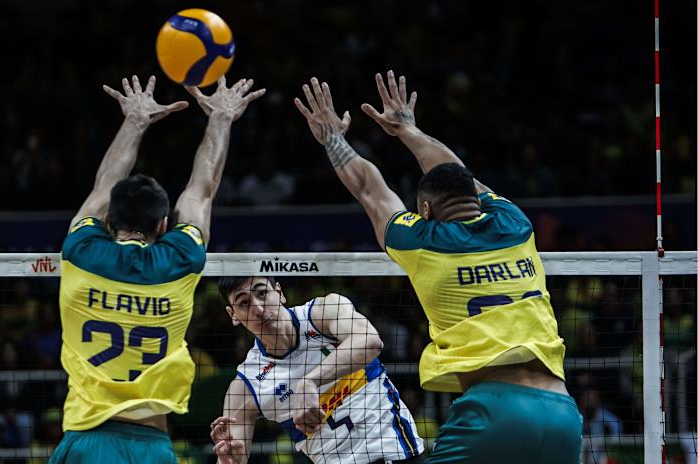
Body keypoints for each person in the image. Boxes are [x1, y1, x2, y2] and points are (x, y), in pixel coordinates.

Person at [294, 71, 582, 463]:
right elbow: (460, 175)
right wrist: (409, 131)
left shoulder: (421, 242)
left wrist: (331, 138)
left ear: (425, 210)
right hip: (564, 414)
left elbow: (370, 189)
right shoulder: (515, 222)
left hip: (493, 411)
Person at [50, 74, 265, 464]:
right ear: (164, 225)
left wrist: (135, 121)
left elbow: (103, 187)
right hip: (151, 446)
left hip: (87, 442)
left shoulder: (81, 250)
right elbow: (203, 187)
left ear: (108, 221)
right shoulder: (179, 261)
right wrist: (221, 118)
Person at [210, 276, 424, 464]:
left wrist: (309, 382)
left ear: (279, 292)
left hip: (396, 453)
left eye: (262, 293)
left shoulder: (323, 313)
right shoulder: (244, 387)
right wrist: (228, 460)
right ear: (233, 315)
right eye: (244, 303)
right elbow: (234, 456)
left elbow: (370, 341)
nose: (258, 308)